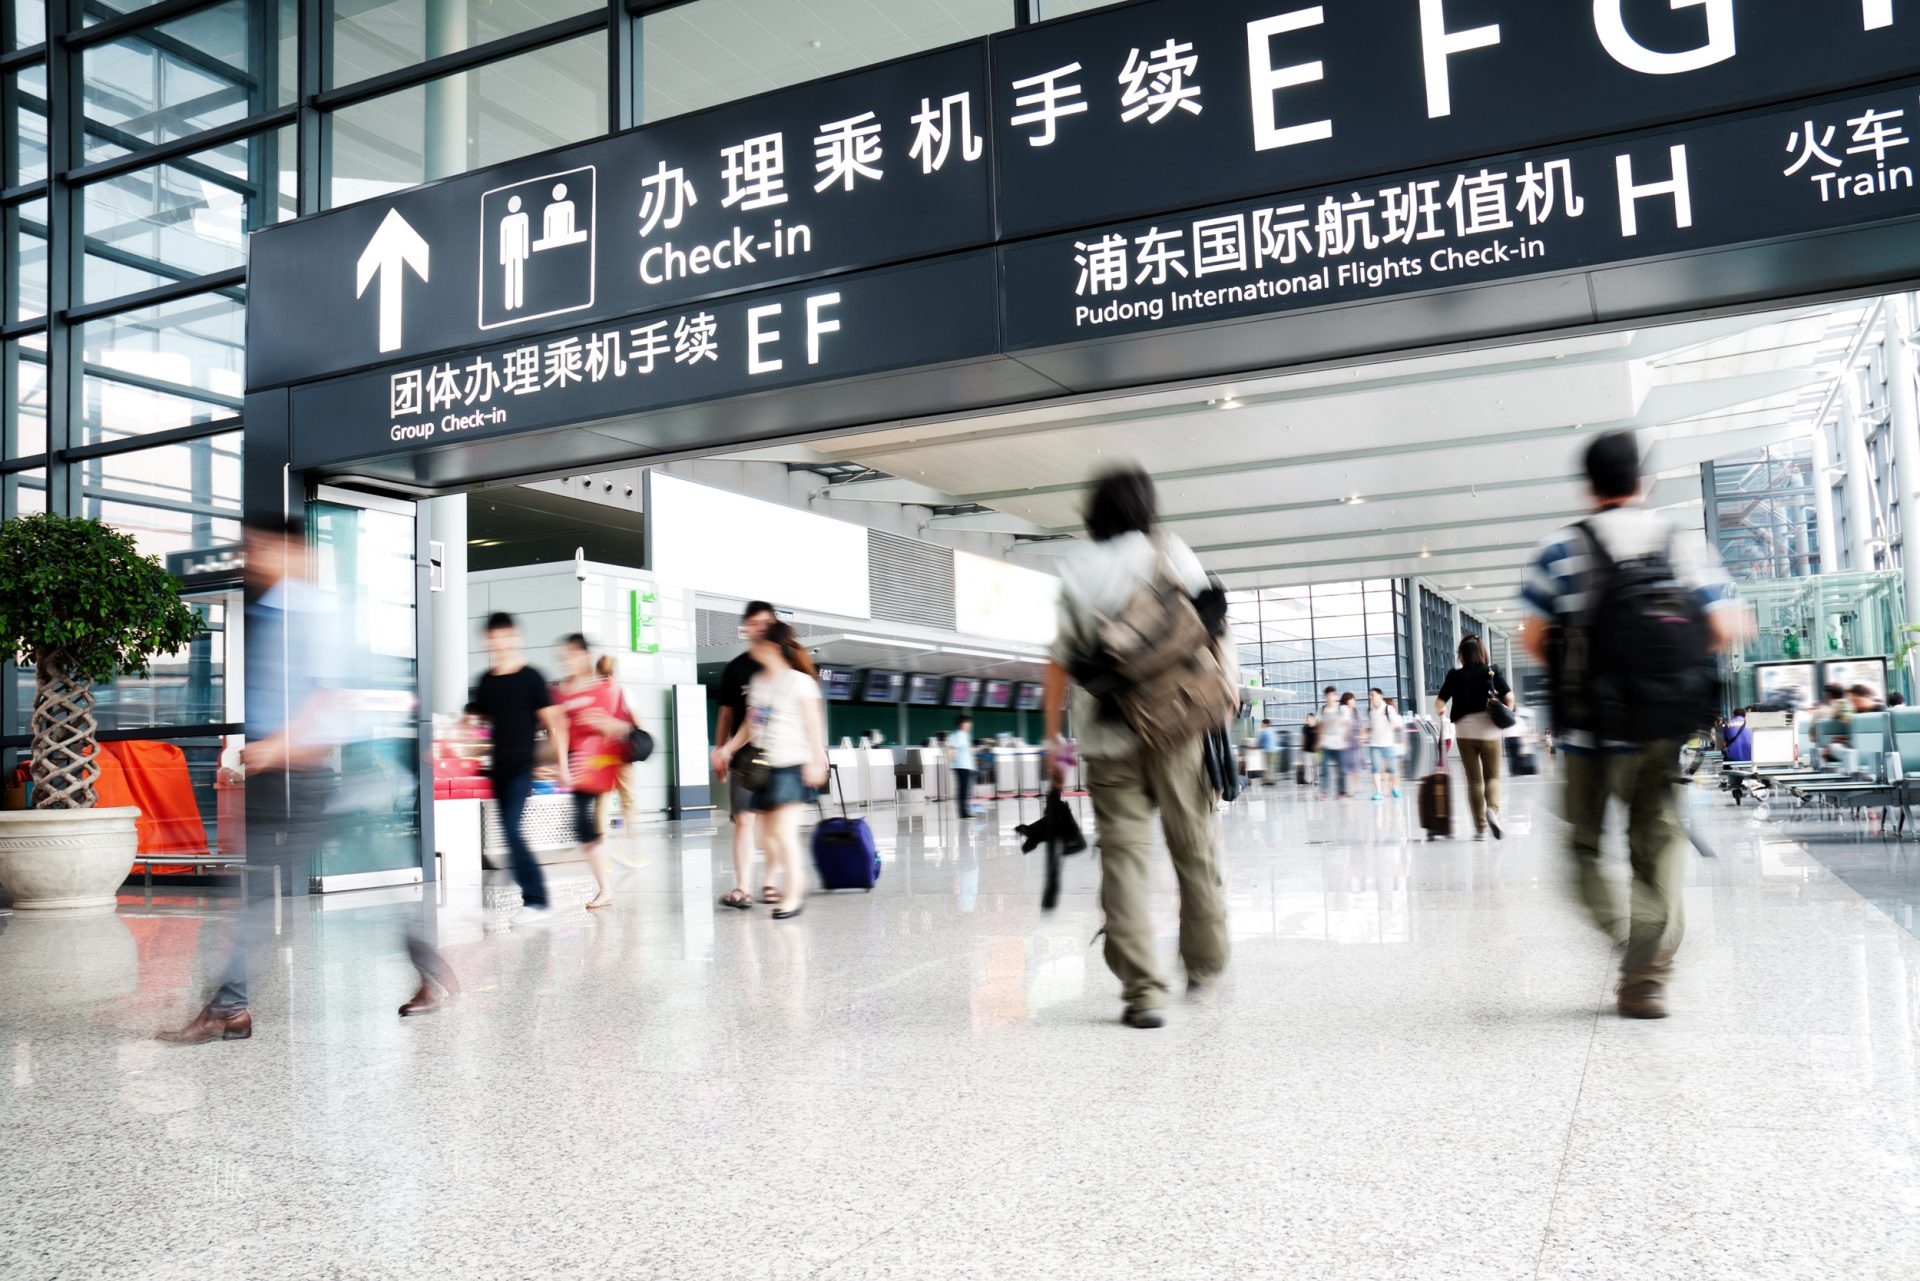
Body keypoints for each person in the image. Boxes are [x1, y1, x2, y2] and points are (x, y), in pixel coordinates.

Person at [1522, 428, 1740, 1020]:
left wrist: (1591, 664)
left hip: (1590, 737)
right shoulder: (1682, 546)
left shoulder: (1560, 551)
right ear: (1642, 482)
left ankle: (1633, 935)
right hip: (1663, 732)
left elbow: (1536, 640)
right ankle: (1648, 964)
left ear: (1589, 486)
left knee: (1583, 849)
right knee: (1659, 841)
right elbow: (1724, 630)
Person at [1043, 465, 1229, 1029]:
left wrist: (1053, 737)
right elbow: (1212, 626)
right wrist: (1225, 693)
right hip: (1178, 728)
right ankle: (1204, 964)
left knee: (1124, 861)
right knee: (1192, 849)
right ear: (1146, 507)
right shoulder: (1169, 550)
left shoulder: (1075, 569)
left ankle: (1142, 992)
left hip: (1108, 736)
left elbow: (1060, 662)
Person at [715, 621, 828, 920]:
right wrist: (728, 748)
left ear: (774, 648)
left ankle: (793, 894)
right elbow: (754, 724)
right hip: (766, 767)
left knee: (782, 832)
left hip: (793, 764)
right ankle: (793, 886)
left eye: (759, 645)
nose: (754, 651)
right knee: (766, 837)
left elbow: (814, 725)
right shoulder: (760, 683)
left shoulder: (800, 682)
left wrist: (817, 759)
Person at [472, 612, 570, 927]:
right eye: (493, 637)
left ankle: (538, 901)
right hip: (497, 770)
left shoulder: (531, 678)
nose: (499, 642)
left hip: (521, 769)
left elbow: (555, 724)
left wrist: (561, 766)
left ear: (515, 638)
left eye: (505, 636)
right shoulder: (486, 682)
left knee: (512, 833)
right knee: (510, 835)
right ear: (488, 641)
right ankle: (531, 899)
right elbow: (478, 723)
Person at [553, 635, 635, 910]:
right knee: (582, 824)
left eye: (572, 656)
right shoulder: (561, 693)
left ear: (585, 656)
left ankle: (605, 884)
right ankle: (604, 881)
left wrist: (609, 725)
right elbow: (560, 731)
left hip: (602, 762)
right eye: (563, 657)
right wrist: (563, 766)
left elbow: (627, 727)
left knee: (589, 822)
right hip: (578, 763)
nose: (567, 662)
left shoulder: (605, 688)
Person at [711, 601, 777, 911]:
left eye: (766, 622)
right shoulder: (735, 667)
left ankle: (771, 883)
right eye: (754, 623)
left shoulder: (783, 664)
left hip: (779, 751)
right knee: (743, 820)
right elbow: (726, 715)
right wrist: (720, 749)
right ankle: (743, 887)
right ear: (746, 627)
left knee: (774, 822)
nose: (760, 628)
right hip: (742, 755)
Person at [1435, 635, 1514, 840]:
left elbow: (1439, 703)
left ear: (1462, 655)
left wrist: (1443, 715)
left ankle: (1479, 829)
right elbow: (1509, 697)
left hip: (1465, 731)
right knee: (1493, 777)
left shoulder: (1454, 675)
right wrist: (1506, 713)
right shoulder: (1493, 671)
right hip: (1490, 730)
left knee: (1474, 781)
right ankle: (1492, 811)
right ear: (1482, 652)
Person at [1366, 688, 1402, 800]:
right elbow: (1371, 727)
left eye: (1373, 695)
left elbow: (1396, 723)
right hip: (1374, 745)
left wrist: (1388, 728)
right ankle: (1378, 792)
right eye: (1370, 695)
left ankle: (1395, 788)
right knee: (1376, 769)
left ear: (1380, 696)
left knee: (1392, 769)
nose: (1370, 697)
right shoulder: (1370, 710)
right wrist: (1365, 733)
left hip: (1388, 744)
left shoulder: (1388, 709)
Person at [1317, 686, 1352, 798]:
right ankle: (1325, 791)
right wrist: (1318, 741)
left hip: (1339, 744)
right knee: (1325, 768)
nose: (1330, 697)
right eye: (1328, 695)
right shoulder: (1322, 710)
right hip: (1326, 743)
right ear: (1325, 697)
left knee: (1341, 768)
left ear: (1336, 696)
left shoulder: (1342, 709)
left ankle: (1341, 790)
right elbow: (1320, 726)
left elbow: (1347, 724)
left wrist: (1344, 737)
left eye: (1332, 695)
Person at [950, 714, 977, 819]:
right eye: (968, 722)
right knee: (962, 790)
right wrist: (952, 761)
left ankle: (965, 810)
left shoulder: (966, 735)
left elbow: (967, 751)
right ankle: (962, 812)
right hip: (960, 766)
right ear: (962, 724)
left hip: (967, 766)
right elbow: (951, 749)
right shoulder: (956, 735)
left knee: (965, 790)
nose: (970, 725)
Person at [1338, 692, 1365, 794]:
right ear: (1346, 701)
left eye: (1354, 699)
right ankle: (1348, 788)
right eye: (1351, 699)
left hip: (1356, 741)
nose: (1353, 701)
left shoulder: (1356, 712)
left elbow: (1361, 726)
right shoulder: (1342, 711)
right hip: (1345, 742)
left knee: (1356, 767)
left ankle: (1355, 786)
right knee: (1347, 767)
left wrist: (1361, 738)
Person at [1299, 711, 1318, 785]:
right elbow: (1303, 737)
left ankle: (1316, 780)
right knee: (1307, 766)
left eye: (1308, 718)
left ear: (1313, 718)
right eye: (1307, 718)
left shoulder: (1317, 726)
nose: (1307, 719)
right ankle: (1308, 780)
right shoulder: (1305, 727)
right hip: (1307, 750)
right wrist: (1301, 747)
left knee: (1316, 767)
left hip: (1317, 751)